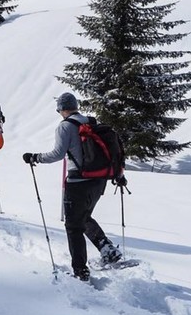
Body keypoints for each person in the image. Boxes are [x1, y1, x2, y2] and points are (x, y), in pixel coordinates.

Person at [22, 92, 125, 282]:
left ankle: (80, 270)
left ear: (61, 109)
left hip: (78, 182)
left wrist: (35, 157)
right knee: (83, 216)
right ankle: (107, 250)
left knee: (73, 226)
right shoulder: (91, 122)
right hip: (99, 181)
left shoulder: (65, 126)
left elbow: (57, 154)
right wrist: (119, 174)